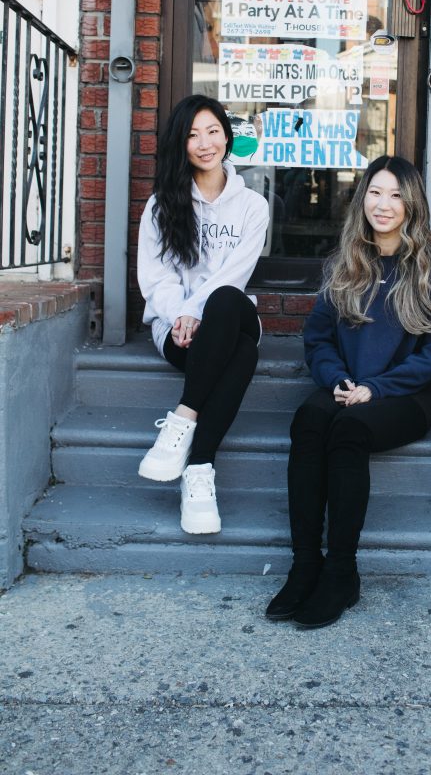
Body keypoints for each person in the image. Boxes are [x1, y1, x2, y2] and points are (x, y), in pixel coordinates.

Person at [266, 155, 431, 629]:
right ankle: (305, 565)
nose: (384, 204)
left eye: (395, 194)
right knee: (309, 421)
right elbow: (318, 338)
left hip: (406, 396)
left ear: (411, 203)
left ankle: (342, 573)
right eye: (375, 192)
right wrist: (338, 380)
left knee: (349, 430)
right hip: (346, 385)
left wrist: (375, 389)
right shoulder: (346, 261)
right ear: (363, 198)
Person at [137, 94, 269, 535]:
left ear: (227, 137)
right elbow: (155, 278)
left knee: (227, 299)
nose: (205, 142)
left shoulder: (253, 206)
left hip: (229, 316)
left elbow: (235, 274)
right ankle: (199, 470)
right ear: (181, 144)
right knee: (243, 356)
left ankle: (183, 420)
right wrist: (180, 315)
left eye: (213, 131)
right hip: (177, 330)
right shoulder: (161, 206)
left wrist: (196, 311)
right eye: (193, 134)